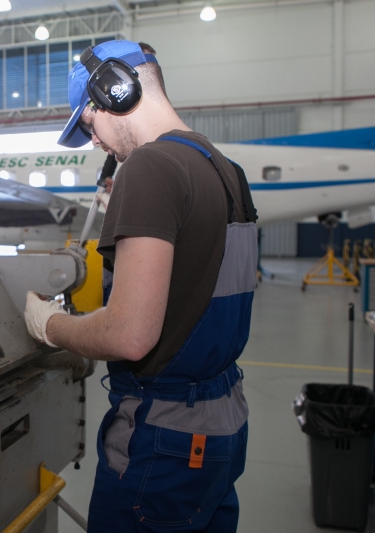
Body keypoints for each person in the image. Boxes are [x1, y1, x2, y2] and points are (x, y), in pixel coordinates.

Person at [23, 40, 258, 532]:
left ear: (113, 93)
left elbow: (130, 335)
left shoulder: (149, 167)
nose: (95, 143)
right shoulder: (225, 170)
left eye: (88, 125)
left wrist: (52, 326)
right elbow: (200, 279)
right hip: (223, 422)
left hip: (165, 436)